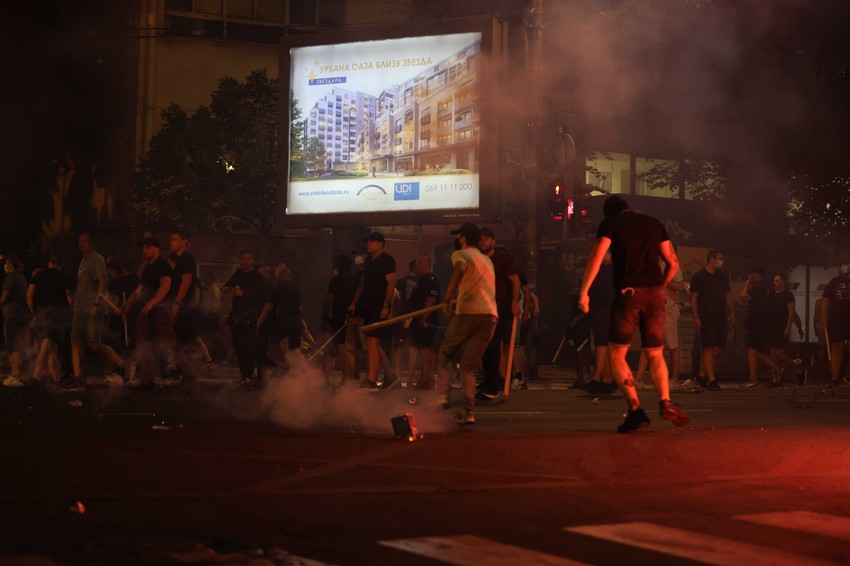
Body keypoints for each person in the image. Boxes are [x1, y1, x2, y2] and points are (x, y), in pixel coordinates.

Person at [578, 195, 689, 433]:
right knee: (656, 354)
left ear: (610, 213)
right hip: (656, 296)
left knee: (617, 354)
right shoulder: (654, 223)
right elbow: (673, 263)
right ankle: (665, 402)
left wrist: (584, 292)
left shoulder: (611, 224)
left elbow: (597, 256)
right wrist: (660, 285)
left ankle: (636, 410)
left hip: (629, 294)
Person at [436, 223, 497, 424]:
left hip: (469, 313)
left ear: (463, 239)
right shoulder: (487, 260)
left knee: (445, 352)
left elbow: (460, 270)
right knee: (468, 367)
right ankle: (468, 411)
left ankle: (442, 397)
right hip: (490, 316)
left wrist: (446, 299)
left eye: (459, 237)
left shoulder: (461, 254)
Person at [121, 237, 195, 392]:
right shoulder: (147, 268)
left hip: (161, 312)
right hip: (146, 313)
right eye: (143, 248)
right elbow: (139, 290)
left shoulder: (163, 265)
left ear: (156, 249)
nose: (144, 251)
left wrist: (152, 303)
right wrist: (128, 304)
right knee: (142, 345)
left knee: (171, 344)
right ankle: (146, 381)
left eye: (147, 248)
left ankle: (188, 375)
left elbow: (165, 287)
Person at [67, 233, 128, 391]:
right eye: (79, 240)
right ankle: (79, 377)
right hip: (81, 308)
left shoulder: (97, 259)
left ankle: (124, 366)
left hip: (93, 307)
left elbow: (103, 281)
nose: (82, 243)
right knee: (75, 340)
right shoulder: (83, 261)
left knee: (94, 344)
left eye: (85, 240)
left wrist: (96, 303)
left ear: (92, 243)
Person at [348, 232, 397, 389]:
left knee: (373, 340)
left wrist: (386, 305)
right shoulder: (369, 261)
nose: (369, 244)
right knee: (371, 343)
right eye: (368, 241)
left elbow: (391, 283)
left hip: (379, 305)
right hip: (367, 305)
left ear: (381, 244)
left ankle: (371, 379)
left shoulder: (387, 260)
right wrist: (355, 302)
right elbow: (362, 284)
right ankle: (390, 376)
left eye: (372, 242)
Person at [477, 227, 520, 399]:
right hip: (480, 309)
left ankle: (492, 386)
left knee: (494, 346)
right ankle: (489, 380)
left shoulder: (502, 259)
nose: (484, 242)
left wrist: (515, 302)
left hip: (498, 309)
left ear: (493, 241)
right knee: (483, 347)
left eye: (487, 239)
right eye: (481, 239)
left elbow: (516, 281)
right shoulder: (477, 260)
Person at [689, 249, 734, 389]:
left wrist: (731, 312)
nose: (721, 261)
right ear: (711, 259)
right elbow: (693, 298)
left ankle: (701, 375)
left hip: (720, 314)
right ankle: (712, 379)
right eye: (719, 258)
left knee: (719, 346)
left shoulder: (722, 276)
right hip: (706, 315)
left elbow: (727, 295)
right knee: (708, 347)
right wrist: (696, 316)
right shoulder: (699, 276)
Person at [26, 256, 74, 389]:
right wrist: (69, 314)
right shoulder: (64, 276)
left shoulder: (38, 275)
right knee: (48, 344)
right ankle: (37, 376)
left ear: (49, 263)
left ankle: (55, 378)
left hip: (42, 314)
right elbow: (70, 299)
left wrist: (33, 311)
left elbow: (29, 295)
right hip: (58, 316)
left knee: (49, 346)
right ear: (60, 264)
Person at [635, 258, 684, 388]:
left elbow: (680, 286)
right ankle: (638, 379)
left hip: (668, 311)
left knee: (673, 344)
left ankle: (674, 380)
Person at [168, 231, 214, 370]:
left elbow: (186, 281)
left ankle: (184, 372)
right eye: (171, 239)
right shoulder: (181, 260)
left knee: (179, 340)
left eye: (174, 239)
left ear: (184, 241)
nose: (171, 242)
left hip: (185, 307)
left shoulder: (186, 259)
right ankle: (183, 371)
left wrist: (177, 303)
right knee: (183, 340)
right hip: (185, 306)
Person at [222, 250, 266, 389]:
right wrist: (227, 288)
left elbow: (259, 294)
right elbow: (229, 284)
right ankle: (243, 376)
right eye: (243, 259)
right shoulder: (238, 273)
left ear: (252, 261)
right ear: (239, 260)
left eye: (248, 259)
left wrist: (243, 293)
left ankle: (249, 377)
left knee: (248, 347)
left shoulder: (256, 276)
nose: (245, 261)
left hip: (250, 316)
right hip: (237, 316)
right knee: (239, 347)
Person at [257, 263, 304, 373]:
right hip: (297, 321)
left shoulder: (279, 286)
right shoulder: (296, 288)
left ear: (282, 275)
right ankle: (300, 374)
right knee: (295, 350)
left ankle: (272, 368)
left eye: (277, 274)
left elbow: (269, 306)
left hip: (284, 320)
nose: (276, 276)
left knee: (273, 345)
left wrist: (259, 322)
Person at [739, 267, 781, 387]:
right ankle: (776, 369)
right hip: (767, 323)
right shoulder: (769, 287)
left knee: (752, 350)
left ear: (754, 274)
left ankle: (753, 379)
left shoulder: (757, 287)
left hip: (756, 323)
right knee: (757, 351)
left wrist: (747, 284)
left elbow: (743, 298)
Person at [584, 251, 617, 394]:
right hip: (600, 307)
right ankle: (607, 379)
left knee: (603, 344)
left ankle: (598, 378)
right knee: (604, 344)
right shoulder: (599, 268)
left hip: (608, 308)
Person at [407, 255, 440, 389]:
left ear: (427, 264)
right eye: (416, 261)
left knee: (424, 349)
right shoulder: (422, 280)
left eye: (420, 262)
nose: (416, 264)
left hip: (425, 319)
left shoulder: (431, 280)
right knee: (424, 349)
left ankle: (426, 379)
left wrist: (423, 318)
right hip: (418, 319)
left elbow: (431, 300)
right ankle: (428, 379)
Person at [322, 254, 357, 381]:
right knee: (336, 348)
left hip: (336, 318)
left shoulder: (335, 281)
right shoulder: (353, 280)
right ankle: (328, 378)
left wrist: (327, 316)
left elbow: (329, 299)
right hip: (348, 317)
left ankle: (346, 377)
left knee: (338, 348)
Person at [767, 273, 806, 386]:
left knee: (779, 352)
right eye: (774, 281)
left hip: (782, 327)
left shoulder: (788, 295)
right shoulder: (773, 295)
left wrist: (789, 328)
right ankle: (777, 376)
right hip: (773, 327)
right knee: (772, 352)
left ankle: (798, 370)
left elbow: (792, 313)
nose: (775, 283)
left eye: (777, 281)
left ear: (783, 282)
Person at [1, 254, 30, 387]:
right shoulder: (22, 278)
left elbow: (4, 298)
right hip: (21, 314)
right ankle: (15, 373)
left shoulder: (11, 278)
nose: (5, 266)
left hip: (12, 315)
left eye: (6, 263)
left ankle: (16, 374)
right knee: (15, 344)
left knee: (12, 345)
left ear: (11, 264)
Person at [819, 262, 850, 387]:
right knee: (837, 346)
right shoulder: (836, 281)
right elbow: (826, 299)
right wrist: (823, 315)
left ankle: (848, 376)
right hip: (837, 319)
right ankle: (835, 376)